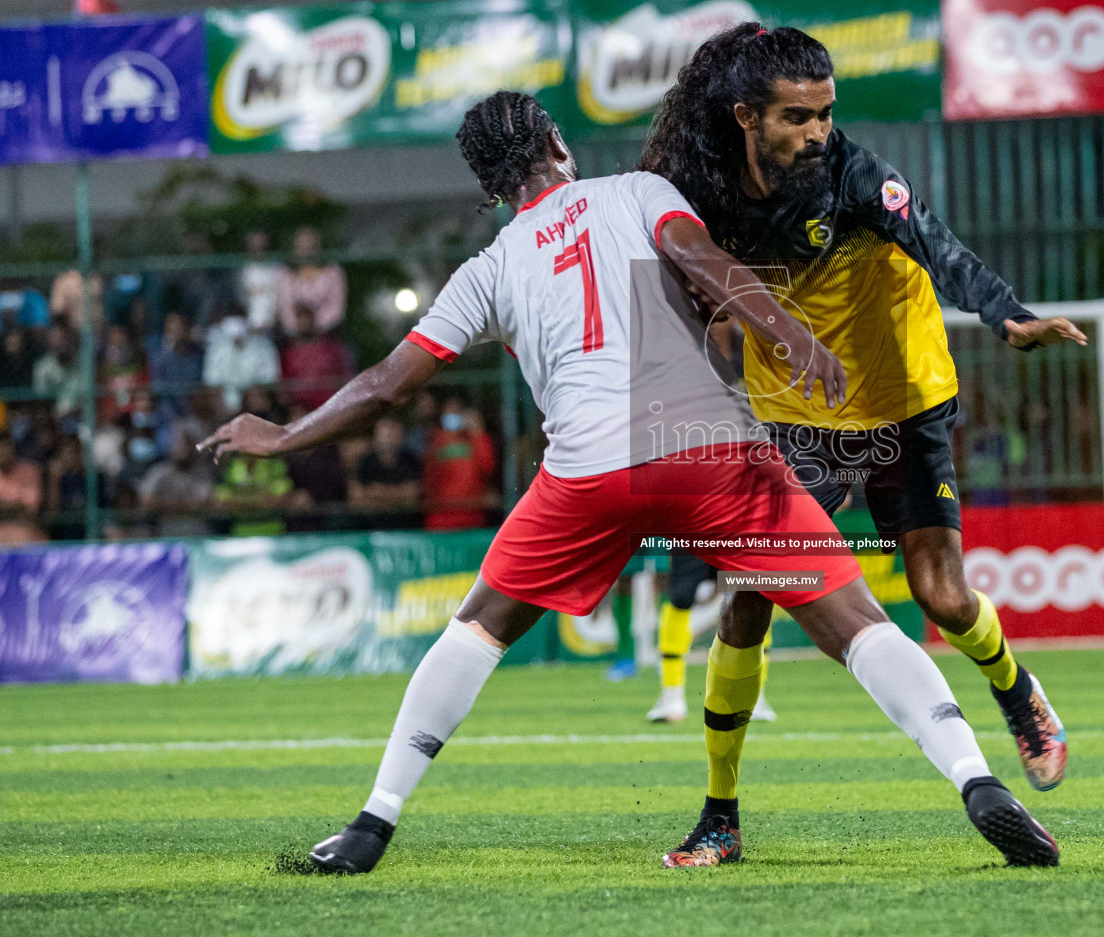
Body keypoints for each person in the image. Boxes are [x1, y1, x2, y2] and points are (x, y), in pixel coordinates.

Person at [200, 90, 1058, 876]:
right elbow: (707, 262)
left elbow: (387, 384)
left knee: (478, 629)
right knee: (854, 623)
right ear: (557, 144)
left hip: (586, 475)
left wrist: (282, 436)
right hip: (713, 454)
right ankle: (975, 778)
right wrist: (790, 333)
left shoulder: (487, 270)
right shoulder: (638, 192)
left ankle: (372, 821)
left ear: (491, 189)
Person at [638, 24, 1084, 824]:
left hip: (900, 397)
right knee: (749, 594)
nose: (819, 133)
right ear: (746, 116)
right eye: (798, 118)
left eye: (826, 113)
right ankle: (719, 811)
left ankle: (1017, 694)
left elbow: (935, 243)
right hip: (795, 411)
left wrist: (1004, 313)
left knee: (940, 597)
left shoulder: (853, 174)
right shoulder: (701, 184)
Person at [647, 552, 775, 724]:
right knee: (680, 597)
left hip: (736, 530)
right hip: (694, 531)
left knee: (752, 593)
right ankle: (671, 697)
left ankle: (754, 696)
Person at [421, 396, 496, 530]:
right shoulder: (434, 440)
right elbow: (429, 476)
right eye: (449, 411)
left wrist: (478, 432)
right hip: (440, 518)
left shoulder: (475, 438)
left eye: (456, 412)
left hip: (472, 516)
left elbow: (488, 467)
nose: (452, 415)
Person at [348, 418, 422, 530]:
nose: (388, 438)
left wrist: (378, 492)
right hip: (370, 528)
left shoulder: (411, 461)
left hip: (405, 528)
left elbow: (413, 495)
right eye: (384, 434)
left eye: (392, 433)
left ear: (401, 435)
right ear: (375, 436)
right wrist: (398, 496)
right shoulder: (365, 462)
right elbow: (355, 497)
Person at [280, 305, 354, 412]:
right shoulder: (287, 352)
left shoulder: (331, 349)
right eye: (300, 319)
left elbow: (343, 375)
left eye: (307, 318)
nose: (304, 322)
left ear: (313, 320)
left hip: (329, 404)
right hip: (299, 407)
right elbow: (284, 382)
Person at [277, 225, 347, 336]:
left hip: (327, 333)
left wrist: (314, 326)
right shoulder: (286, 274)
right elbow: (284, 307)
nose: (306, 252)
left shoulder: (333, 272)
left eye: (310, 247)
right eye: (302, 248)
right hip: (293, 335)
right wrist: (299, 328)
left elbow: (336, 308)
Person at [204, 314, 280, 413]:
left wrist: (254, 393)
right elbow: (212, 382)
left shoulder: (264, 347)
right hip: (227, 404)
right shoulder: (216, 350)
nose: (237, 342)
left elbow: (270, 378)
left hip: (256, 399)